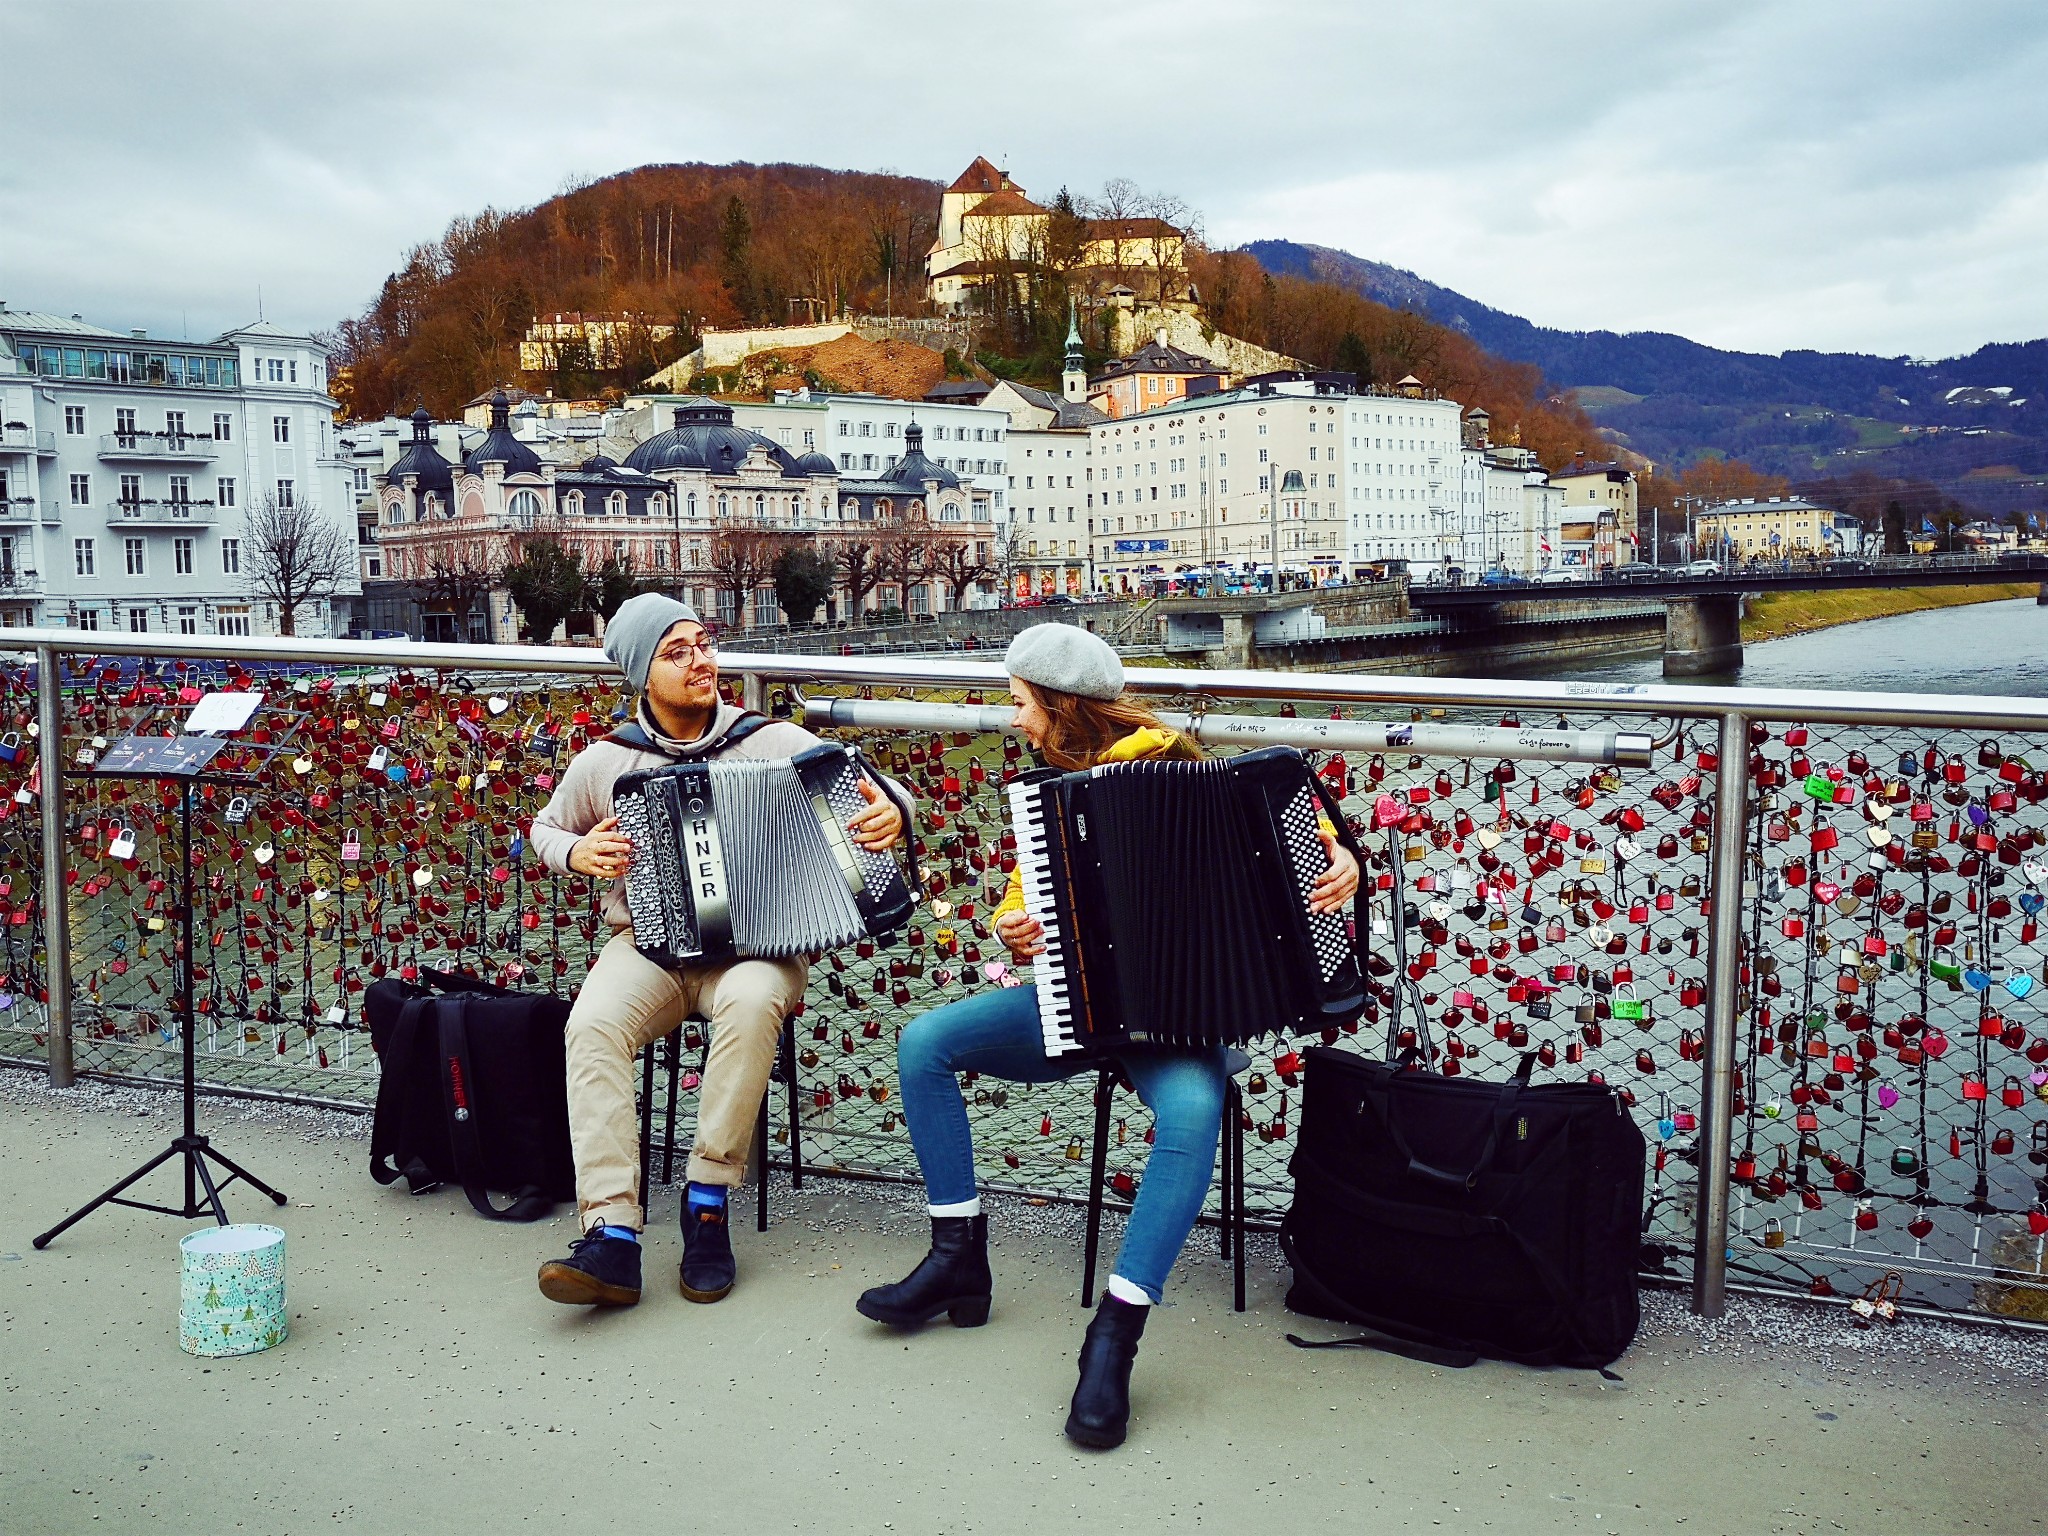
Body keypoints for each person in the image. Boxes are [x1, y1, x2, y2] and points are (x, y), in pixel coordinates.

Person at [855, 624, 1360, 1448]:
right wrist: (1012, 923)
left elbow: (1323, 858)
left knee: (1194, 1115)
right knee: (925, 1044)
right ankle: (958, 1259)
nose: (1014, 721)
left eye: (1020, 705)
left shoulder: (1196, 770)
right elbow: (1021, 899)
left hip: (1179, 1017)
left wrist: (1342, 867)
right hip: (1078, 1004)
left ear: (1058, 704)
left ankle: (1115, 1336)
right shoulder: (1052, 791)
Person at [528, 593, 907, 1308]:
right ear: (642, 673)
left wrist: (893, 809)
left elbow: (880, 794)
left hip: (759, 949)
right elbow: (542, 831)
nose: (701, 661)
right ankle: (611, 1234)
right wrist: (579, 851)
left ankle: (707, 1200)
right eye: (677, 652)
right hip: (648, 948)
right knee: (592, 1026)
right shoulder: (607, 760)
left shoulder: (770, 740)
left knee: (755, 997)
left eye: (702, 643)